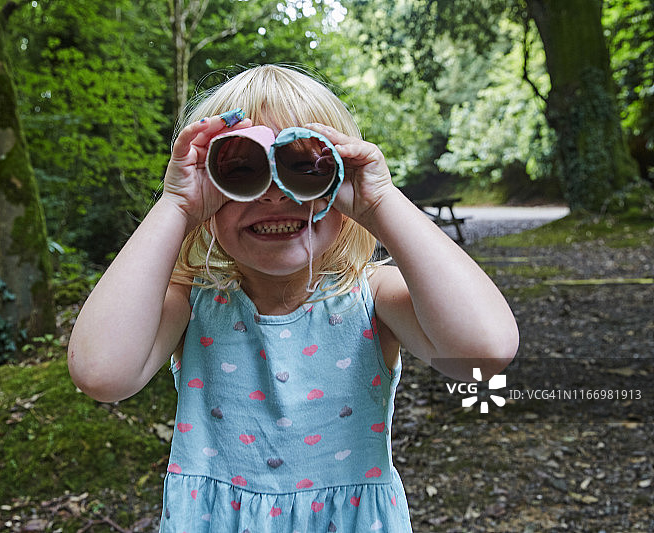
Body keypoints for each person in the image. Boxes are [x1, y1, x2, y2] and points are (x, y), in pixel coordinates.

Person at [67, 64, 519, 532]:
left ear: (342, 179)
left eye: (305, 168)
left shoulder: (371, 297)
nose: (274, 195)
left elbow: (483, 355)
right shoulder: (193, 303)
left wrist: (380, 202)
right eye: (240, 170)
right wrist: (176, 204)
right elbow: (102, 373)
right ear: (208, 187)